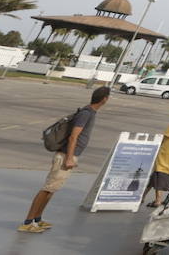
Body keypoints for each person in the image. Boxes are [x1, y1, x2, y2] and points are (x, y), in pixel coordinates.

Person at [20, 85, 110, 233]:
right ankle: (27, 222)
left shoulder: (89, 112)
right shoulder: (86, 114)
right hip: (64, 156)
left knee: (52, 189)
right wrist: (69, 158)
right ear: (104, 99)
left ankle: (37, 219)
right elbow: (73, 136)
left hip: (68, 155)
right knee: (47, 189)